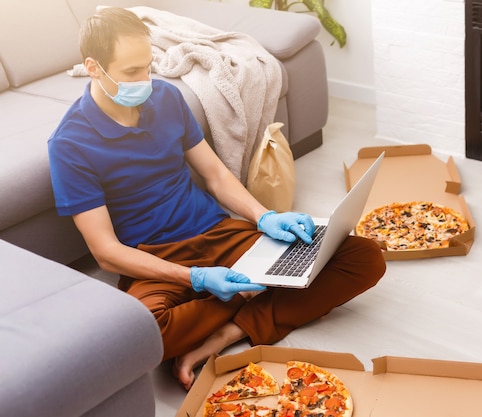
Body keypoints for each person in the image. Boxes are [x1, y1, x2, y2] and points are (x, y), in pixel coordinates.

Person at [48, 7, 386, 390]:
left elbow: (216, 175)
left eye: (147, 66)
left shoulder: (166, 97)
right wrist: (195, 278)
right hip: (155, 258)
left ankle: (226, 333)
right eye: (131, 72)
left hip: (219, 233)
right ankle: (265, 294)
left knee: (362, 257)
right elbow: (106, 252)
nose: (145, 80)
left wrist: (265, 218)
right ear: (93, 67)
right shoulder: (69, 145)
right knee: (142, 334)